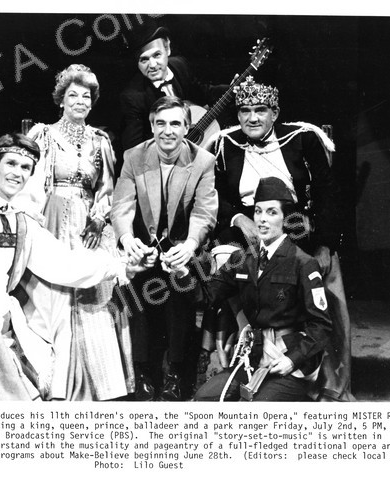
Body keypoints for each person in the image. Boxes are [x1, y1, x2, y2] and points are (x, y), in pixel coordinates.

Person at [0, 133, 147, 401]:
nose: (17, 173)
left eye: (25, 167)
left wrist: (121, 265)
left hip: (4, 325)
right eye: (10, 163)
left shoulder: (21, 221)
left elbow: (63, 263)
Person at [204, 75, 353, 401]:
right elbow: (215, 195)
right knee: (225, 259)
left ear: (275, 113)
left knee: (320, 270)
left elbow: (328, 193)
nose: (252, 118)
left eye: (260, 110)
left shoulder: (302, 138)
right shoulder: (226, 144)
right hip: (246, 224)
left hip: (295, 222)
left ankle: (329, 380)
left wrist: (325, 243)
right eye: (244, 111)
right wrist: (239, 218)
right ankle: (245, 347)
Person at [16, 64, 133, 401]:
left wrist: (99, 218)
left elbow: (108, 187)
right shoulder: (44, 134)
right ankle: (56, 381)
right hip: (52, 217)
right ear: (61, 100)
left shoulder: (100, 140)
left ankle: (99, 383)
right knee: (55, 294)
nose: (80, 101)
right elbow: (31, 184)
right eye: (73, 95)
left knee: (93, 293)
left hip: (87, 224)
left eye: (86, 97)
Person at [111, 95, 218, 401]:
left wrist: (189, 246)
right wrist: (128, 241)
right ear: (152, 126)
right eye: (160, 123)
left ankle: (175, 374)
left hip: (184, 248)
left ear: (186, 128)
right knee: (136, 287)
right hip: (144, 248)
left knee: (179, 288)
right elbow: (122, 206)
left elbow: (204, 212)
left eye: (175, 124)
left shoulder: (203, 161)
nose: (167, 131)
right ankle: (144, 374)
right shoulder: (134, 156)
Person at [193, 177, 332, 401]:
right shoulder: (241, 259)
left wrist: (293, 360)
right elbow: (209, 296)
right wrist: (183, 273)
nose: (262, 219)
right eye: (258, 211)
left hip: (288, 361)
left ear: (285, 218)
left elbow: (321, 326)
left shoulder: (303, 263)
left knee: (258, 409)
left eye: (271, 212)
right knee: (205, 398)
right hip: (254, 358)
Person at [119, 21, 230, 151]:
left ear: (167, 48)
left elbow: (204, 92)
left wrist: (233, 87)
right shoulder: (132, 97)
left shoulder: (180, 65)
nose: (153, 65)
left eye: (157, 55)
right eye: (144, 59)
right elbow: (134, 150)